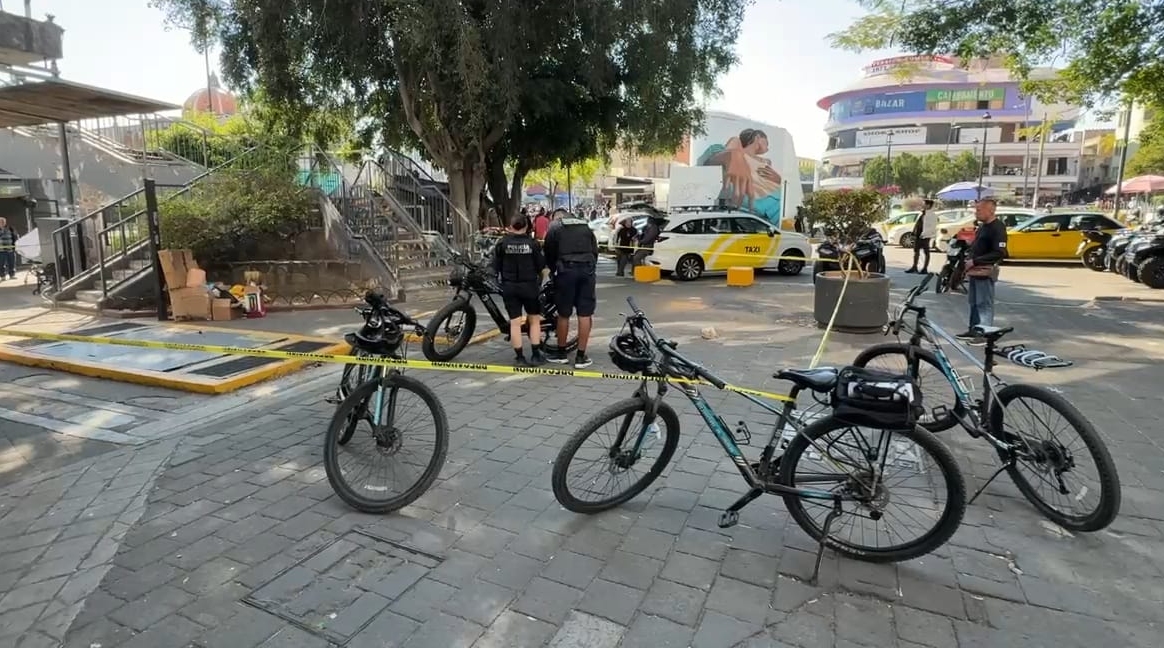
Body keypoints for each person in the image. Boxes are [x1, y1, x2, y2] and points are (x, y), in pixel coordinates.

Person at [543, 207, 599, 367]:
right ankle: (581, 357)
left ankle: (562, 354)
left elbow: (548, 252)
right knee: (585, 314)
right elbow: (595, 251)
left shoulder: (556, 227)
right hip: (587, 271)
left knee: (564, 314)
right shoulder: (586, 226)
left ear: (558, 217)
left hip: (565, 271)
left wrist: (554, 270)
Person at [492, 214, 548, 366]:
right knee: (534, 320)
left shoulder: (502, 243)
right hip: (529, 286)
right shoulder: (533, 244)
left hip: (510, 287)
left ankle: (519, 357)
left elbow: (495, 266)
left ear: (511, 225)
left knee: (515, 323)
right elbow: (540, 265)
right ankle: (536, 354)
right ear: (526, 226)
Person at [955, 197, 1008, 344]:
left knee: (984, 304)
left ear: (991, 210)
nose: (976, 213)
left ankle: (984, 334)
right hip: (974, 270)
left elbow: (999, 252)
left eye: (979, 210)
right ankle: (974, 329)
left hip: (985, 270)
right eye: (976, 209)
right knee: (974, 302)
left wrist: (975, 260)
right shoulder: (983, 226)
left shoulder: (998, 228)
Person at [906, 199, 938, 274]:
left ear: (928, 205)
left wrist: (924, 234)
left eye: (924, 204)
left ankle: (925, 268)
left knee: (926, 252)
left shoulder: (932, 215)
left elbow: (932, 226)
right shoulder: (923, 213)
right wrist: (914, 232)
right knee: (916, 251)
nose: (923, 205)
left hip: (925, 235)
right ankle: (914, 267)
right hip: (918, 235)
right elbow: (918, 223)